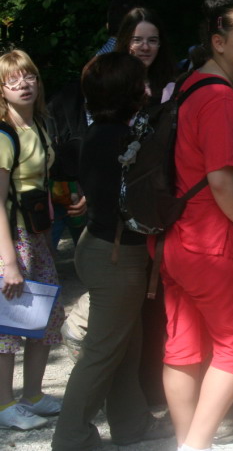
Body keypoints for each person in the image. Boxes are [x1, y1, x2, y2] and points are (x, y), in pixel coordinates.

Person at [161, 1, 233, 451]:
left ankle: (188, 443)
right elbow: (222, 179)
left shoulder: (188, 86)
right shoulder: (220, 98)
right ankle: (195, 446)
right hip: (216, 244)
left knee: (184, 348)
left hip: (179, 240)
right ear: (218, 42)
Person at [52, 53, 173, 449]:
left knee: (126, 346)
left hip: (104, 251)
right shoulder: (120, 140)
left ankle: (131, 425)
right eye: (141, 84)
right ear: (128, 92)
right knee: (102, 354)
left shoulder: (100, 134)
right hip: (116, 258)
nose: (148, 90)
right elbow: (139, 202)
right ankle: (70, 437)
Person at [0, 50, 67, 430]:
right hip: (11, 237)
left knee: (46, 312)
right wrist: (9, 262)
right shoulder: (4, 134)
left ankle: (33, 395)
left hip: (35, 234)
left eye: (28, 77)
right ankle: (4, 404)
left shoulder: (38, 124)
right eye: (12, 80)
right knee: (8, 321)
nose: (23, 85)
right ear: (1, 89)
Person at [114, 6, 177, 102]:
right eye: (137, 40)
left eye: (152, 40)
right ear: (125, 42)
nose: (145, 48)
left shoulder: (170, 86)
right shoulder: (112, 84)